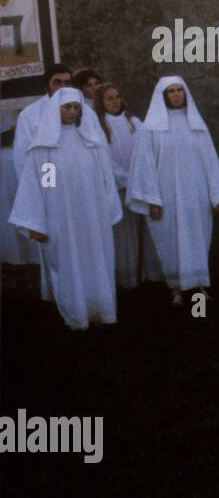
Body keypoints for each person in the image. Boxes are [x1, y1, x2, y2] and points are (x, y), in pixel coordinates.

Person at [9, 88, 121, 330]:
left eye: (76, 107)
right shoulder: (46, 148)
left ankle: (102, 309)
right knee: (68, 265)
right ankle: (76, 315)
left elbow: (104, 179)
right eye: (66, 107)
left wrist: (109, 208)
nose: (72, 112)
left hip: (93, 216)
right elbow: (46, 185)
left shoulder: (92, 143)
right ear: (55, 110)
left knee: (97, 261)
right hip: (63, 217)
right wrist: (40, 220)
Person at [126, 76, 219, 306]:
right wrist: (152, 200)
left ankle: (199, 284)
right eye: (171, 91)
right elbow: (144, 166)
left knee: (198, 237)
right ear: (163, 96)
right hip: (167, 196)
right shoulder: (150, 129)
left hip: (196, 195)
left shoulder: (196, 125)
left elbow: (210, 160)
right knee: (170, 240)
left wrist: (216, 193)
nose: (176, 94)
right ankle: (175, 287)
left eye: (180, 90)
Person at [93, 83, 163, 289]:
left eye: (117, 96)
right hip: (119, 188)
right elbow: (105, 161)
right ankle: (128, 279)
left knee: (148, 232)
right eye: (109, 98)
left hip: (141, 185)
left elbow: (146, 152)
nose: (115, 101)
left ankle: (151, 274)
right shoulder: (99, 126)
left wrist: (140, 179)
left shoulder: (134, 122)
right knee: (125, 236)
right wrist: (126, 180)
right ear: (101, 102)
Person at [3, 64, 73, 266]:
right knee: (55, 244)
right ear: (47, 86)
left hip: (78, 184)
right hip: (49, 182)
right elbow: (25, 157)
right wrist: (46, 188)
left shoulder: (82, 111)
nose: (62, 87)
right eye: (57, 82)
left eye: (67, 82)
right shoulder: (31, 114)